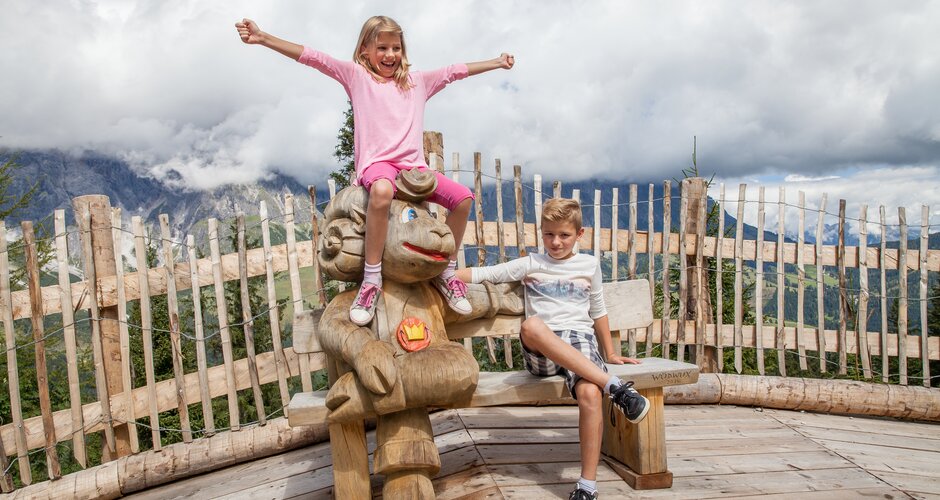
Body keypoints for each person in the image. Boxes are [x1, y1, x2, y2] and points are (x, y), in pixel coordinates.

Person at [236, 16, 514, 325]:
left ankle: (446, 272)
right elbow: (314, 58)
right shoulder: (357, 77)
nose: (390, 55)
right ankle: (371, 280)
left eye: (396, 47)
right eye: (381, 48)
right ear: (365, 50)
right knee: (382, 191)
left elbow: (454, 72)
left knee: (463, 198)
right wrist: (264, 38)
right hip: (377, 165)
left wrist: (496, 62)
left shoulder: (417, 82)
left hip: (414, 170)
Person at [455, 197, 649, 500]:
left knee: (589, 393)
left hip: (580, 342)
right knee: (531, 326)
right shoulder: (532, 264)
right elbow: (483, 274)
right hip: (542, 348)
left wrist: (609, 353)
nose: (555, 242)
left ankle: (587, 486)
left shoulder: (588, 265)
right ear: (540, 232)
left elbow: (598, 310)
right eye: (549, 234)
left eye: (564, 235)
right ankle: (617, 388)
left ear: (580, 234)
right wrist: (442, 276)